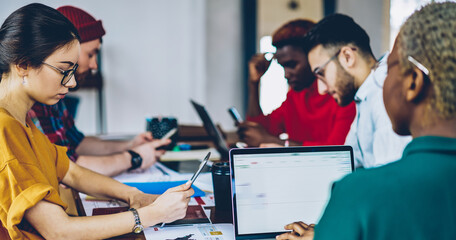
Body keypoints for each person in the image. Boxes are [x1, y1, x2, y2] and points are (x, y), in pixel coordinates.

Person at [0, 3, 194, 239]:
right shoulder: (5, 128)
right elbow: (58, 231)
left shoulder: (22, 121)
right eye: (64, 70)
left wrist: (133, 195)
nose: (71, 83)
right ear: (23, 64)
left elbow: (72, 172)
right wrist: (153, 214)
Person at [277, 2, 456, 239]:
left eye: (389, 66)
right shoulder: (362, 102)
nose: (381, 75)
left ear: (412, 82)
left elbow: (394, 201)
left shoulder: (378, 96)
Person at [27, 5, 167, 177]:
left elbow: (76, 143)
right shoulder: (33, 101)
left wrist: (130, 145)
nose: (94, 65)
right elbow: (67, 169)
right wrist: (134, 158)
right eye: (90, 54)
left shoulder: (54, 93)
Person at [304, 13, 411, 168]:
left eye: (321, 73)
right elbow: (347, 163)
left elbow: (391, 179)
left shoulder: (383, 93)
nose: (321, 89)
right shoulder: (366, 93)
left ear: (347, 57)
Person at [238, 19, 356, 147]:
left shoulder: (341, 93)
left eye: (292, 65)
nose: (286, 74)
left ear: (313, 56)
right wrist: (253, 83)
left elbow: (338, 151)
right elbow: (258, 131)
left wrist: (275, 142)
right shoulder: (295, 96)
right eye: (283, 67)